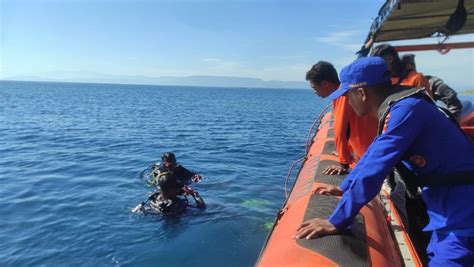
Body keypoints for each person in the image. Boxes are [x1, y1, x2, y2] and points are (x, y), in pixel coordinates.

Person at [294, 57, 474, 266]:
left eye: (347, 95)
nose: (347, 102)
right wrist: (345, 186)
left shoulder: (406, 110)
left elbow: (375, 168)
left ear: (361, 94)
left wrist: (336, 221)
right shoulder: (402, 106)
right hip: (444, 205)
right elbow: (373, 153)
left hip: (461, 210)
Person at [306, 61, 378, 175]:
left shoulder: (342, 96)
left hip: (365, 157)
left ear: (324, 83)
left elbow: (340, 129)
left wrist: (343, 163)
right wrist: (347, 150)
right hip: (369, 152)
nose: (314, 92)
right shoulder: (345, 93)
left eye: (314, 88)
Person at [401, 53, 463, 120]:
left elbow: (454, 102)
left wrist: (449, 122)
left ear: (409, 66)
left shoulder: (431, 82)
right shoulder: (393, 86)